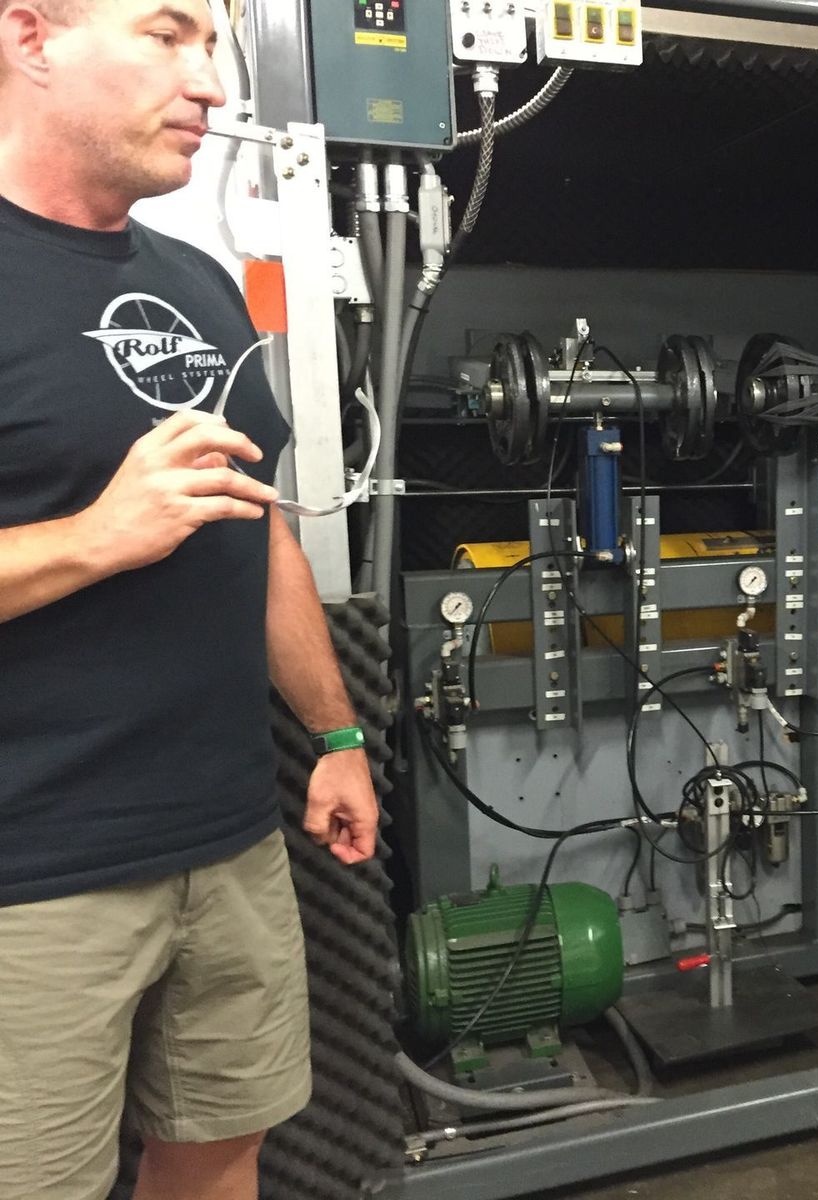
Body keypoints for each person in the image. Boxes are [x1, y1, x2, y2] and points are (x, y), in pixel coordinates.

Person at [0, 2, 381, 1197]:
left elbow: (254, 530)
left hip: (227, 840)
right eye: (167, 36)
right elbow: (126, 531)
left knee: (222, 1149)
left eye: (212, 45)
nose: (210, 81)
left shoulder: (201, 283)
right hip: (34, 872)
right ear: (30, 38)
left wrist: (336, 735)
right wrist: (94, 538)